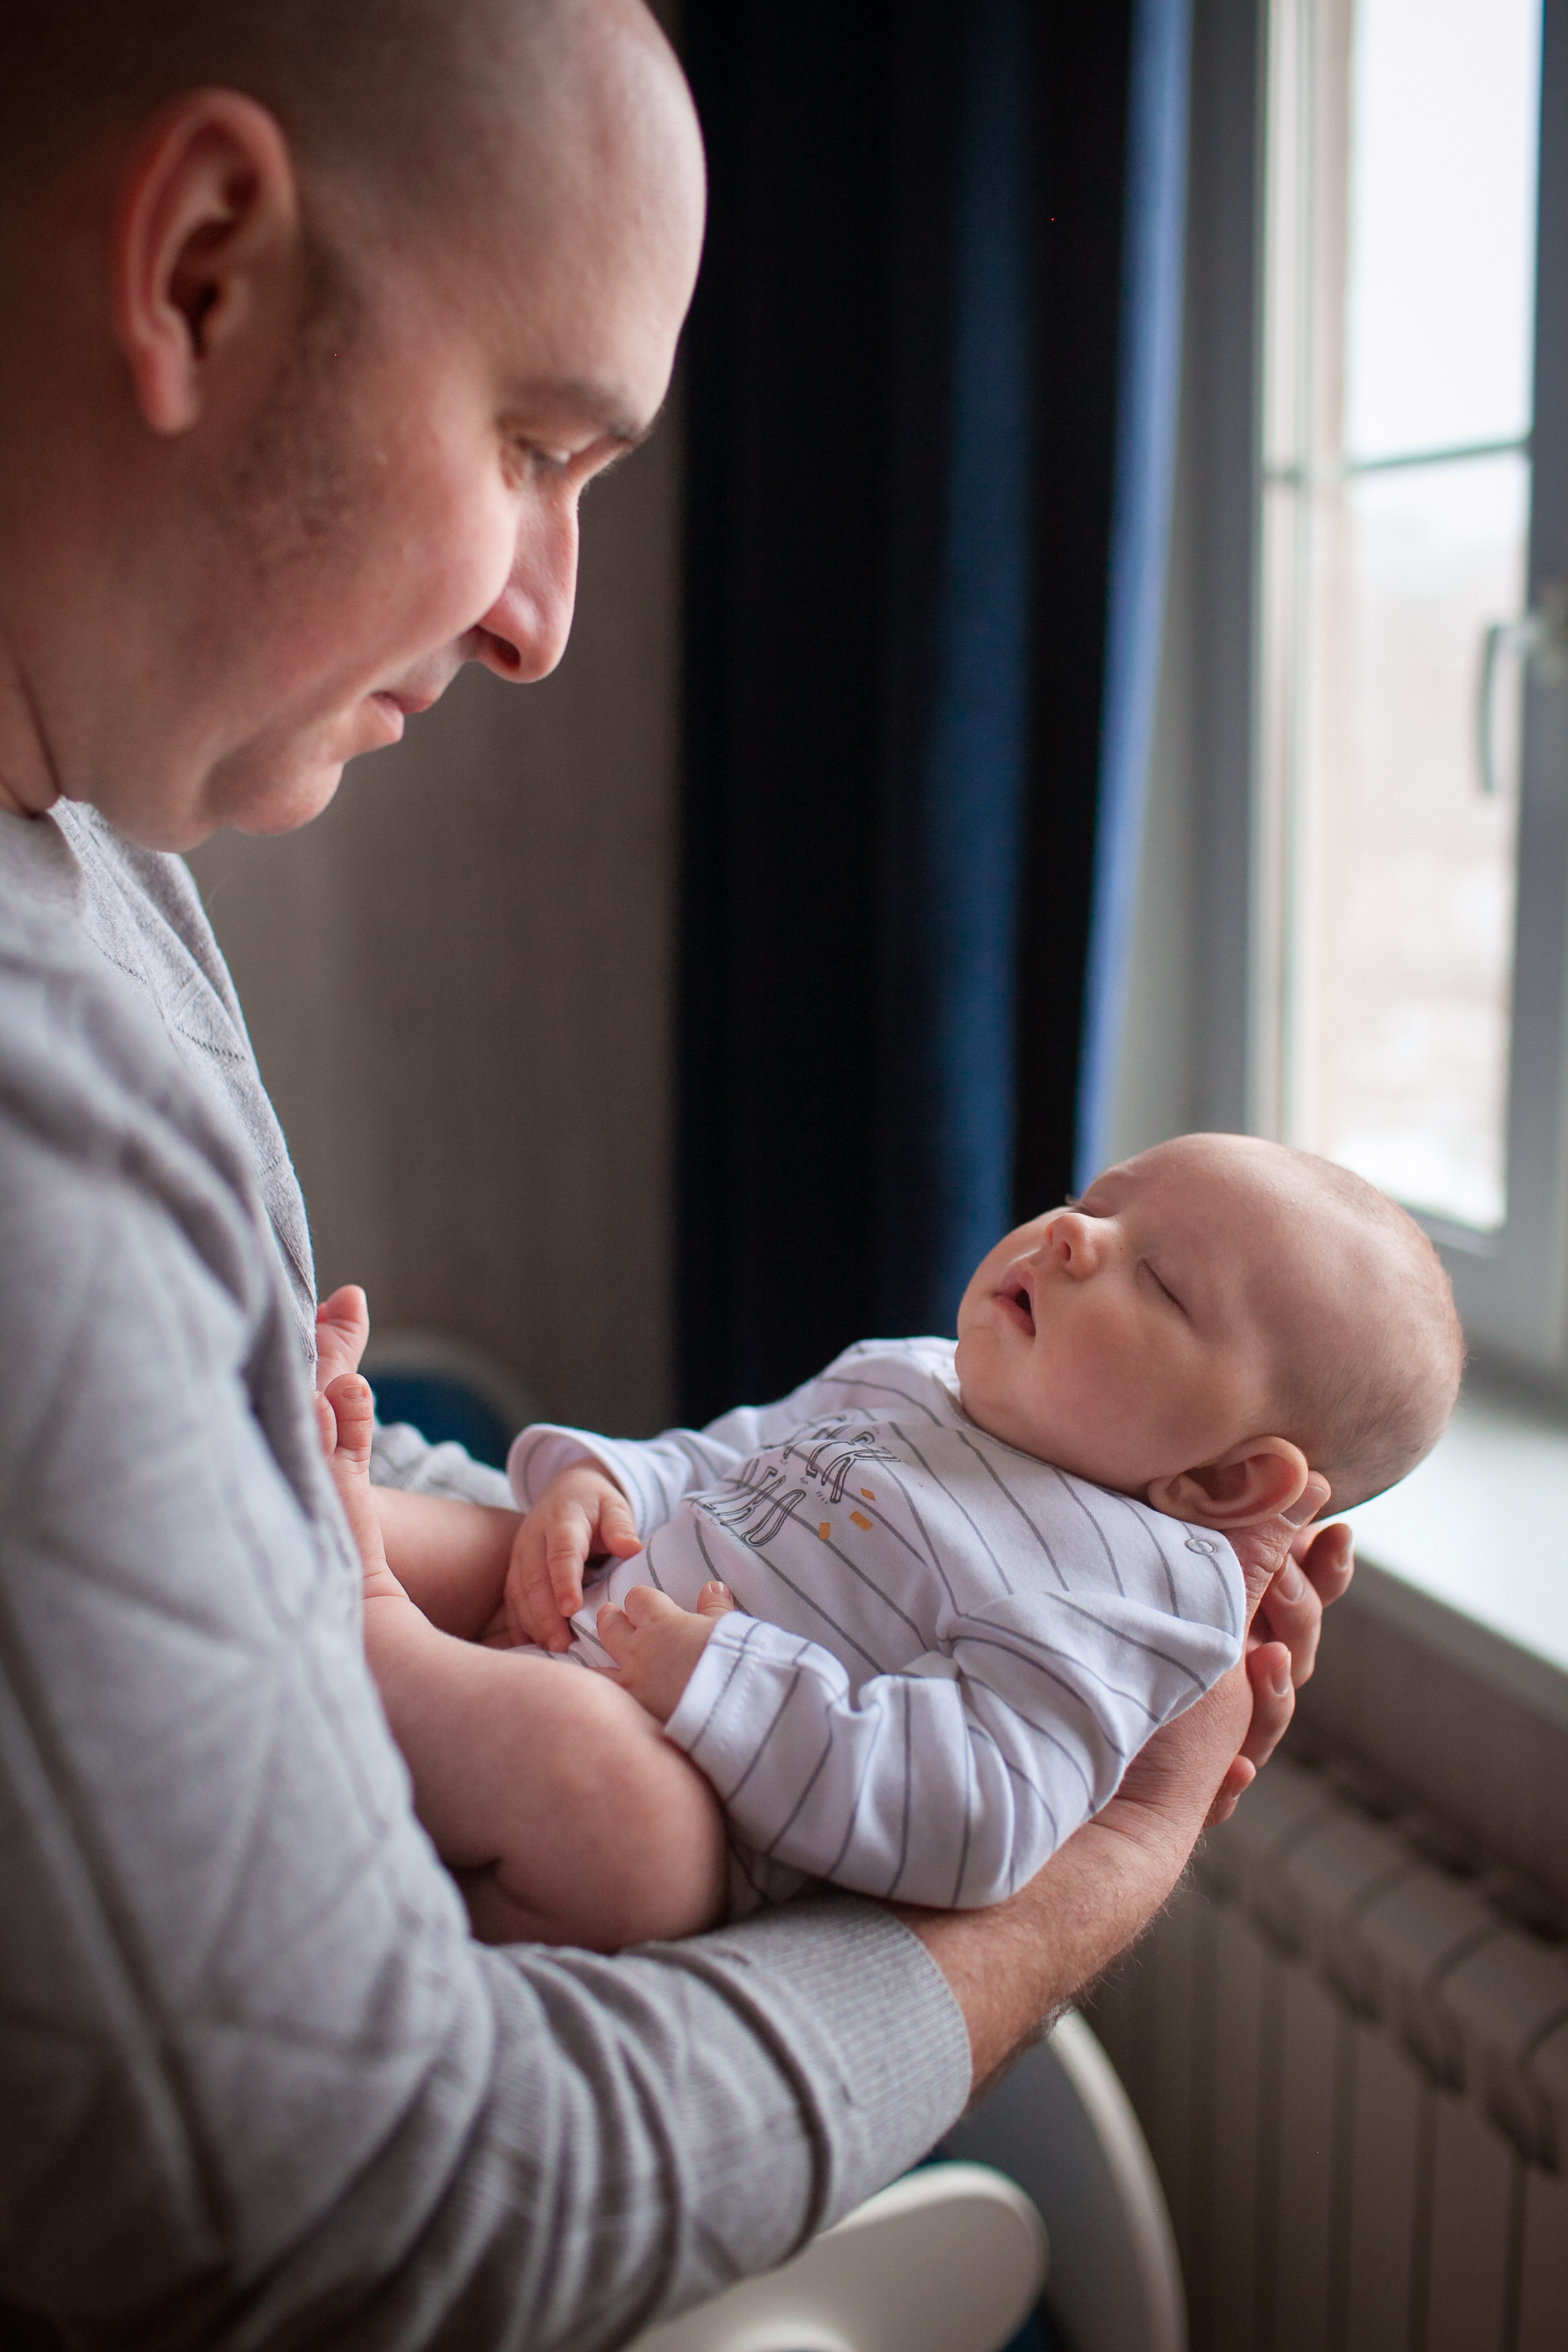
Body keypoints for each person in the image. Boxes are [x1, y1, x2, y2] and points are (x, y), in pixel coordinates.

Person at [0, 2, 1351, 2346]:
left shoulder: (96, 872)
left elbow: (285, 1502)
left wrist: (432, 1514)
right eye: (534, 445)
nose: (543, 619)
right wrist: (1082, 1890)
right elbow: (374, 2223)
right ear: (202, 270)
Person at [317, 1134, 1449, 1944]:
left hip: (687, 1779)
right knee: (481, 1532)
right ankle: (296, 1530)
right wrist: (595, 1491)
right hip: (589, 1608)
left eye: (1156, 1277)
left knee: (608, 1797)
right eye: (1094, 1201)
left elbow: (978, 1813)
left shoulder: (1132, 1593)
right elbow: (721, 1459)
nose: (1070, 1236)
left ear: (1225, 1477)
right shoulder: (913, 1373)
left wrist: (723, 1682)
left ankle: (361, 1630)